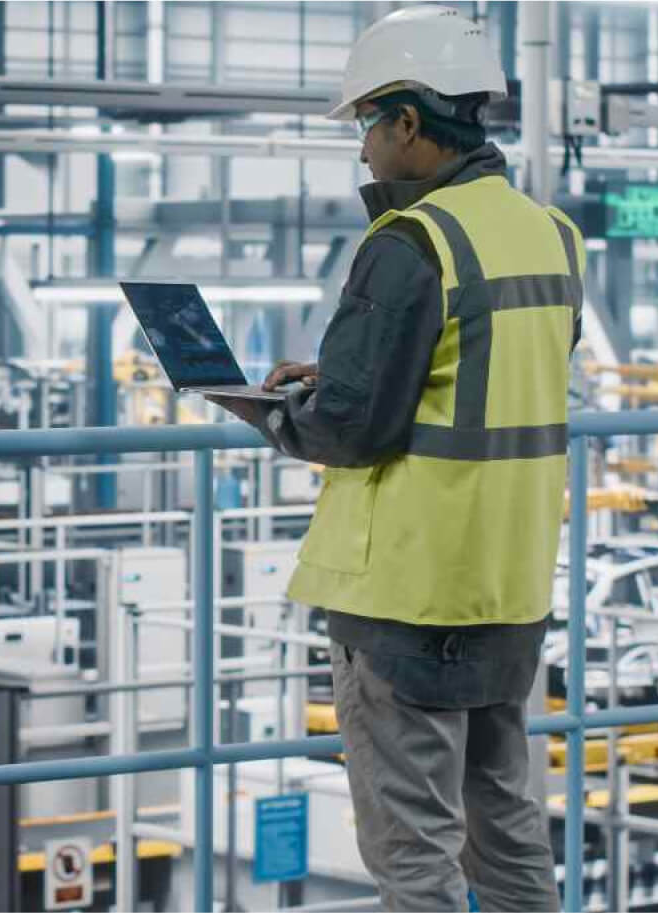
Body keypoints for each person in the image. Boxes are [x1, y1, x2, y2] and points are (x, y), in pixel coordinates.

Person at [207, 5, 584, 911]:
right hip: (509, 581)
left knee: (413, 850)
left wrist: (270, 410)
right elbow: (481, 378)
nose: (365, 151)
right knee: (506, 824)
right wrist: (343, 373)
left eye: (369, 126)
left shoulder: (411, 242)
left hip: (406, 593)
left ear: (410, 122)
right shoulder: (551, 234)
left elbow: (351, 429)